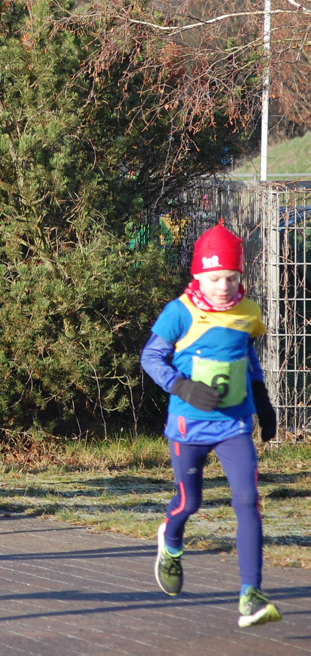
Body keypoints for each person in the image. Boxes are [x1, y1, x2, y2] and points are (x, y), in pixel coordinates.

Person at [140, 222, 281, 628]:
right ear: (198, 275)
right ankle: (170, 541)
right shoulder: (179, 313)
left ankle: (250, 595)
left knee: (248, 500)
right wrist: (182, 387)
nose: (222, 286)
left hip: (234, 425)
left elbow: (247, 357)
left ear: (240, 277)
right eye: (215, 277)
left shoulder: (248, 312)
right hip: (188, 427)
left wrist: (264, 401)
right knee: (191, 503)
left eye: (231, 278)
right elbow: (151, 359)